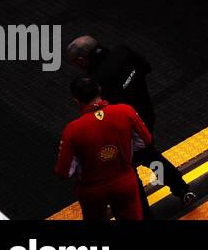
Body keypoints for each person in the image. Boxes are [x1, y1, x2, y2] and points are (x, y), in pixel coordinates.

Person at [66, 35, 196, 209]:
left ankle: (141, 212)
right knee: (151, 158)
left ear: (82, 60)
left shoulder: (96, 80)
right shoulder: (123, 51)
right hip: (146, 116)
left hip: (124, 130)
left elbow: (103, 111)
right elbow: (146, 67)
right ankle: (182, 189)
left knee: (128, 172)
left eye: (76, 62)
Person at [54, 76, 152, 221]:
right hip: (124, 181)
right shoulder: (126, 111)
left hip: (91, 190)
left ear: (76, 100)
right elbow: (146, 140)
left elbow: (63, 172)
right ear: (99, 89)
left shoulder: (72, 130)